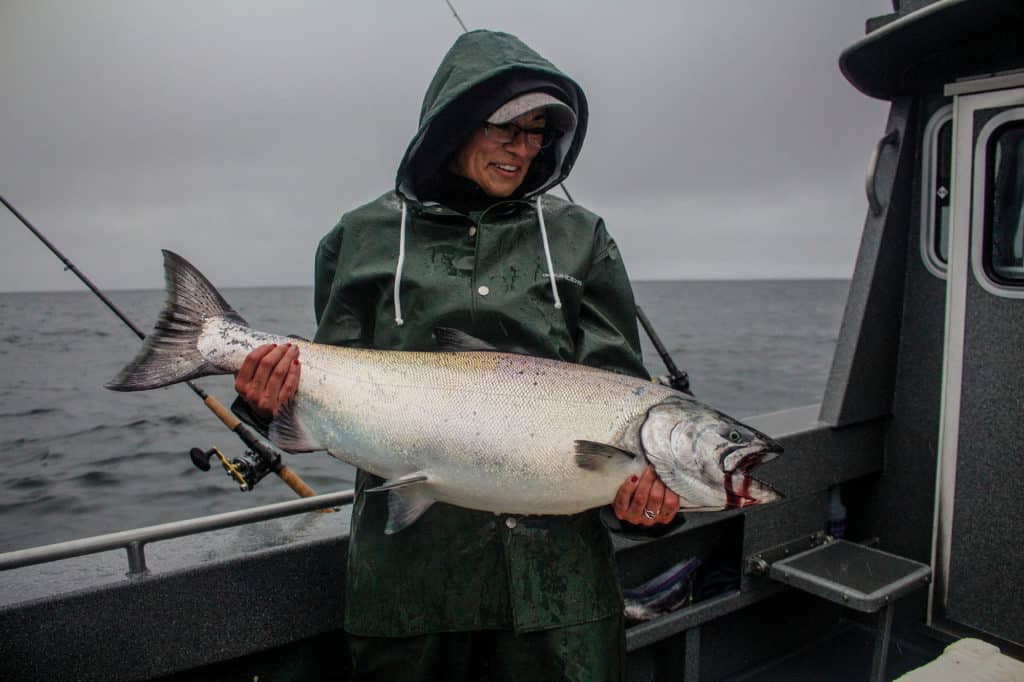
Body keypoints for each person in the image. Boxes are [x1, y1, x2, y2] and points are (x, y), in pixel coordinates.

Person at [233, 29, 681, 681]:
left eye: (537, 134)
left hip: (560, 594)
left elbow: (619, 394)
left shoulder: (582, 238)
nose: (524, 149)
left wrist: (642, 503)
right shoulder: (359, 239)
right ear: (455, 124)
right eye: (507, 128)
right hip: (409, 592)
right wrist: (265, 399)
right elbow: (330, 384)